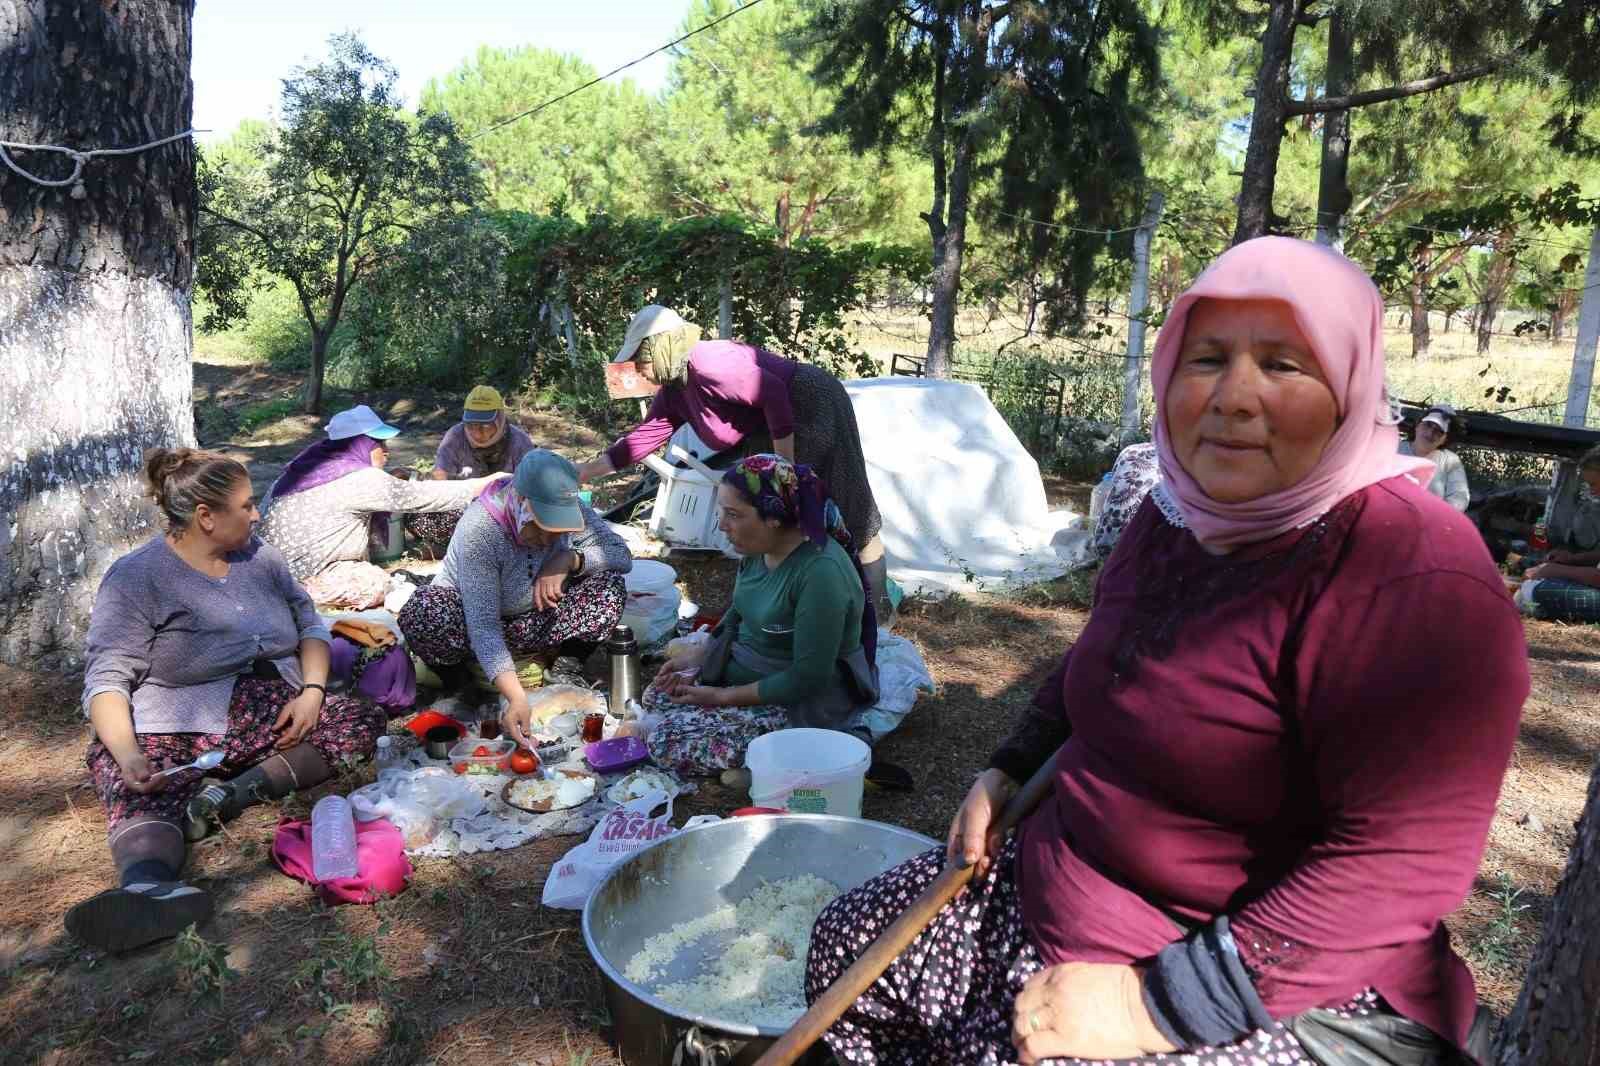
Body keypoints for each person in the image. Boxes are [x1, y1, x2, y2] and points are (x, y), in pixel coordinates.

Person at [803, 237, 1528, 1066]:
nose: (1234, 398)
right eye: (1208, 358)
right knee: (844, 950)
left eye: (1286, 365)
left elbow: (1397, 864)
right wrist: (1009, 766)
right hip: (1053, 883)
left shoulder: (1409, 572)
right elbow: (1105, 658)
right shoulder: (1176, 514)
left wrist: (1151, 1005)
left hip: (1246, 973)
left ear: (1351, 388)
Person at [65, 449, 386, 953]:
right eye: (246, 505)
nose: (257, 514)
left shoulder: (262, 557)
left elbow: (310, 625)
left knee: (361, 720)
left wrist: (311, 693)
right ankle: (147, 886)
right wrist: (129, 755)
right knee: (137, 779)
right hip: (176, 720)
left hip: (273, 709)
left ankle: (230, 794)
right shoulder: (137, 577)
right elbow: (106, 679)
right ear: (206, 518)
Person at [574, 305, 892, 618]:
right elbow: (643, 439)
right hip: (763, 429)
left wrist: (785, 470)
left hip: (808, 404)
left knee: (847, 509)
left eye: (640, 362)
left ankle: (876, 614)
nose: (639, 371)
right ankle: (791, 614)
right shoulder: (674, 391)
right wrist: (585, 472)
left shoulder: (709, 363)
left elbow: (773, 392)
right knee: (774, 522)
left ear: (660, 349)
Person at [636, 454, 878, 776]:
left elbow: (809, 677)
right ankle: (752, 752)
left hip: (798, 698)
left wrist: (722, 698)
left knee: (667, 741)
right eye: (722, 510)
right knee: (658, 696)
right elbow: (738, 612)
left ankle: (781, 757)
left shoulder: (821, 573)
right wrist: (702, 653)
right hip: (748, 672)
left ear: (774, 518)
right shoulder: (756, 550)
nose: (722, 524)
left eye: (733, 514)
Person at [397, 450, 632, 736]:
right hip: (470, 626)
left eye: (557, 530)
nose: (548, 540)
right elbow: (483, 627)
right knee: (425, 611)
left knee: (608, 586)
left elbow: (621, 555)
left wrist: (571, 559)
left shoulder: (568, 507)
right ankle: (460, 685)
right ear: (520, 502)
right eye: (541, 527)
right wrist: (517, 698)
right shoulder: (481, 529)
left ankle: (566, 667)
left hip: (535, 616)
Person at [256, 404, 503, 602]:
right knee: (375, 582)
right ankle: (307, 596)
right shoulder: (357, 478)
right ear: (360, 445)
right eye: (379, 444)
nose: (387, 451)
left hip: (270, 569)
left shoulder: (305, 469)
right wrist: (484, 483)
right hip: (305, 575)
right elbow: (423, 496)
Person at [407, 385, 537, 555]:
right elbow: (439, 479)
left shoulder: (519, 441)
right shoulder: (455, 437)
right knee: (412, 514)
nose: (477, 432)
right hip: (461, 512)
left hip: (505, 516)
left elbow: (532, 488)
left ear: (500, 419)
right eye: (471, 425)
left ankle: (462, 547)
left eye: (484, 426)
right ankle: (459, 546)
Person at [1399, 405, 1470, 511]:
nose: (1430, 433)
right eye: (1428, 425)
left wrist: (1437, 517)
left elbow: (1459, 497)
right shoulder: (1393, 448)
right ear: (1418, 425)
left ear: (1445, 439)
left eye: (1439, 431)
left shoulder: (1450, 460)